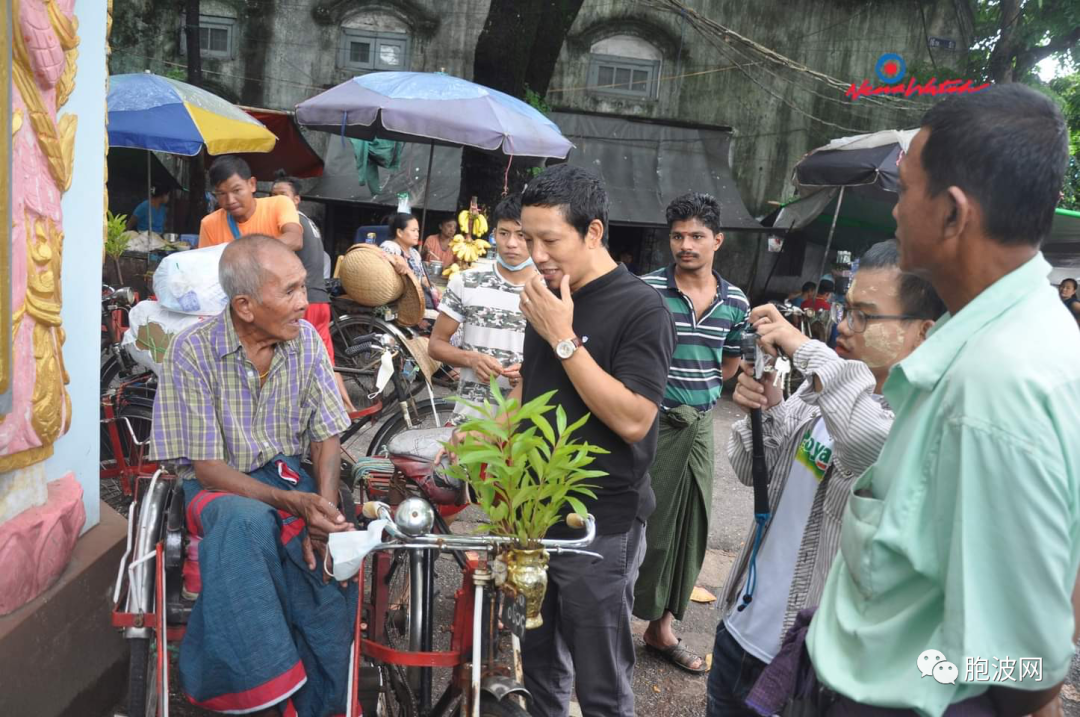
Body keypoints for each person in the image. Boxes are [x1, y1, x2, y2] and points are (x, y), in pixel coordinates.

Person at [791, 84, 1080, 717]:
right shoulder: (1024, 332)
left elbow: (1024, 668)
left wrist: (924, 667)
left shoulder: (994, 389)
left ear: (952, 213)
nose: (895, 211)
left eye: (903, 189)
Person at [707, 239, 945, 716]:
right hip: (741, 631)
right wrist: (767, 409)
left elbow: (863, 441)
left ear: (924, 331)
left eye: (865, 316)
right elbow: (742, 464)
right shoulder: (822, 390)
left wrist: (805, 348)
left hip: (803, 662)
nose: (844, 325)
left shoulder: (920, 424)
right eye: (847, 309)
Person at [148, 234, 356, 717]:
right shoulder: (192, 351)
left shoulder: (304, 342)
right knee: (246, 525)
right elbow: (208, 468)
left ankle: (321, 700)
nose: (304, 303)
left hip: (287, 479)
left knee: (334, 548)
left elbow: (327, 435)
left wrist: (322, 510)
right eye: (289, 292)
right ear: (245, 306)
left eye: (304, 287)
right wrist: (294, 506)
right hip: (217, 486)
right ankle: (262, 695)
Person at [511, 164, 676, 716]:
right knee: (538, 666)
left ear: (595, 232)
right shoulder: (545, 294)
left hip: (599, 525)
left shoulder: (642, 308)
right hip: (536, 514)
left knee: (600, 681)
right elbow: (533, 389)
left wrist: (562, 336)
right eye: (528, 238)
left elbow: (633, 420)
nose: (536, 253)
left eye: (550, 239)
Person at [634, 192, 750, 674]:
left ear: (717, 241)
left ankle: (661, 629)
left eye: (697, 236)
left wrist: (695, 395)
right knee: (642, 522)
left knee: (689, 526)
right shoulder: (645, 290)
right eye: (678, 235)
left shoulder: (736, 301)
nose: (686, 244)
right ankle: (609, 623)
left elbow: (730, 362)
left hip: (699, 424)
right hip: (648, 422)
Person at [428, 194, 533, 425]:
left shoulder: (550, 291)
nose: (511, 243)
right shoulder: (465, 282)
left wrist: (531, 373)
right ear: (493, 235)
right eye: (504, 233)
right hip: (469, 422)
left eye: (521, 235)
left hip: (525, 426)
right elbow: (435, 345)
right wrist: (470, 358)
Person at [271, 174, 356, 413]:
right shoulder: (310, 223)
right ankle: (347, 409)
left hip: (303, 304)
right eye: (273, 197)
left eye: (282, 196)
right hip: (321, 303)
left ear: (296, 200)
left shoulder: (293, 225)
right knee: (327, 361)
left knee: (295, 364)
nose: (277, 202)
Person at [199, 156, 303, 251]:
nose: (230, 200)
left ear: (252, 184)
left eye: (237, 190)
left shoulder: (279, 203)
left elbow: (295, 238)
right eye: (221, 193)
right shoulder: (209, 224)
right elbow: (207, 266)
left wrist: (252, 254)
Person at [380, 212, 440, 310]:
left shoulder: (414, 253)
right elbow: (386, 259)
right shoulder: (389, 247)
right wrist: (398, 262)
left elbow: (422, 278)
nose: (417, 234)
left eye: (417, 230)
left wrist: (434, 289)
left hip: (418, 301)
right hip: (401, 304)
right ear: (399, 232)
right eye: (413, 230)